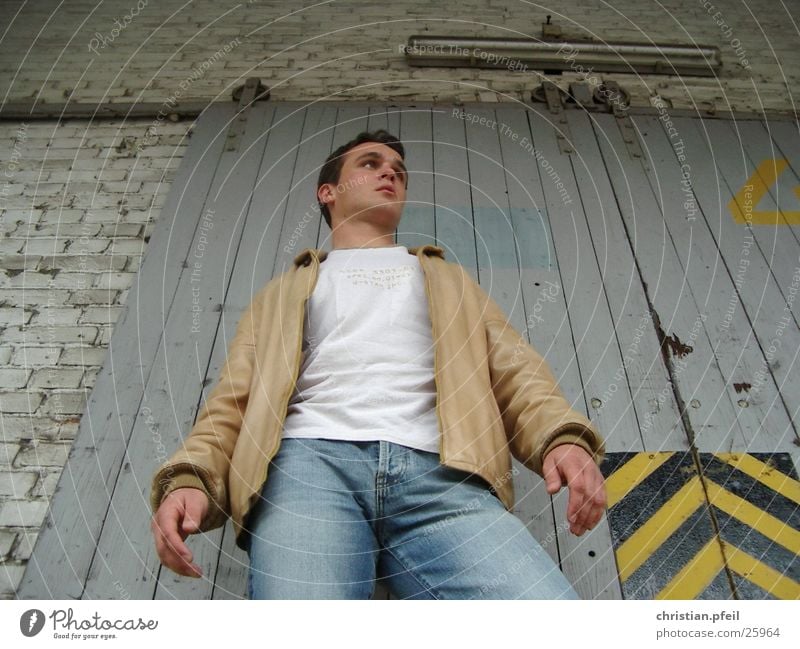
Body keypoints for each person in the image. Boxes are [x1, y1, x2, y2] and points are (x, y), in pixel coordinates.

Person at [150, 129, 607, 599]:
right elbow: (231, 404)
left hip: (444, 478)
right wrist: (191, 479)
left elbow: (516, 373)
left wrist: (561, 438)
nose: (390, 171)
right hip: (307, 472)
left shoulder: (448, 280)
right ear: (328, 192)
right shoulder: (280, 294)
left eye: (399, 171)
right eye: (369, 163)